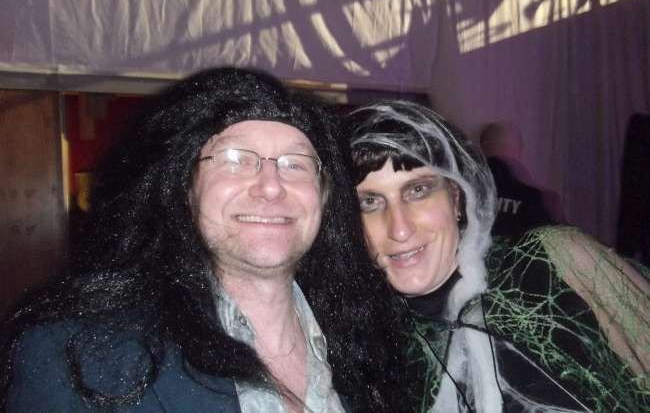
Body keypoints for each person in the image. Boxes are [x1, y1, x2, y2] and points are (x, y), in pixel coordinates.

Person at [1, 68, 417, 412]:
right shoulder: (75, 357)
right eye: (235, 159)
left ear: (325, 197)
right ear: (185, 187)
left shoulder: (371, 345)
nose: (271, 186)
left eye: (295, 164)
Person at [346, 100, 649, 412]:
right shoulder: (367, 352)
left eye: (418, 190)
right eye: (369, 202)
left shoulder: (555, 261)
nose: (399, 229)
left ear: (456, 196)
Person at [479, 122, 562, 237]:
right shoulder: (545, 199)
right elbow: (564, 242)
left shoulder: (463, 189)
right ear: (519, 148)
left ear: (483, 147)